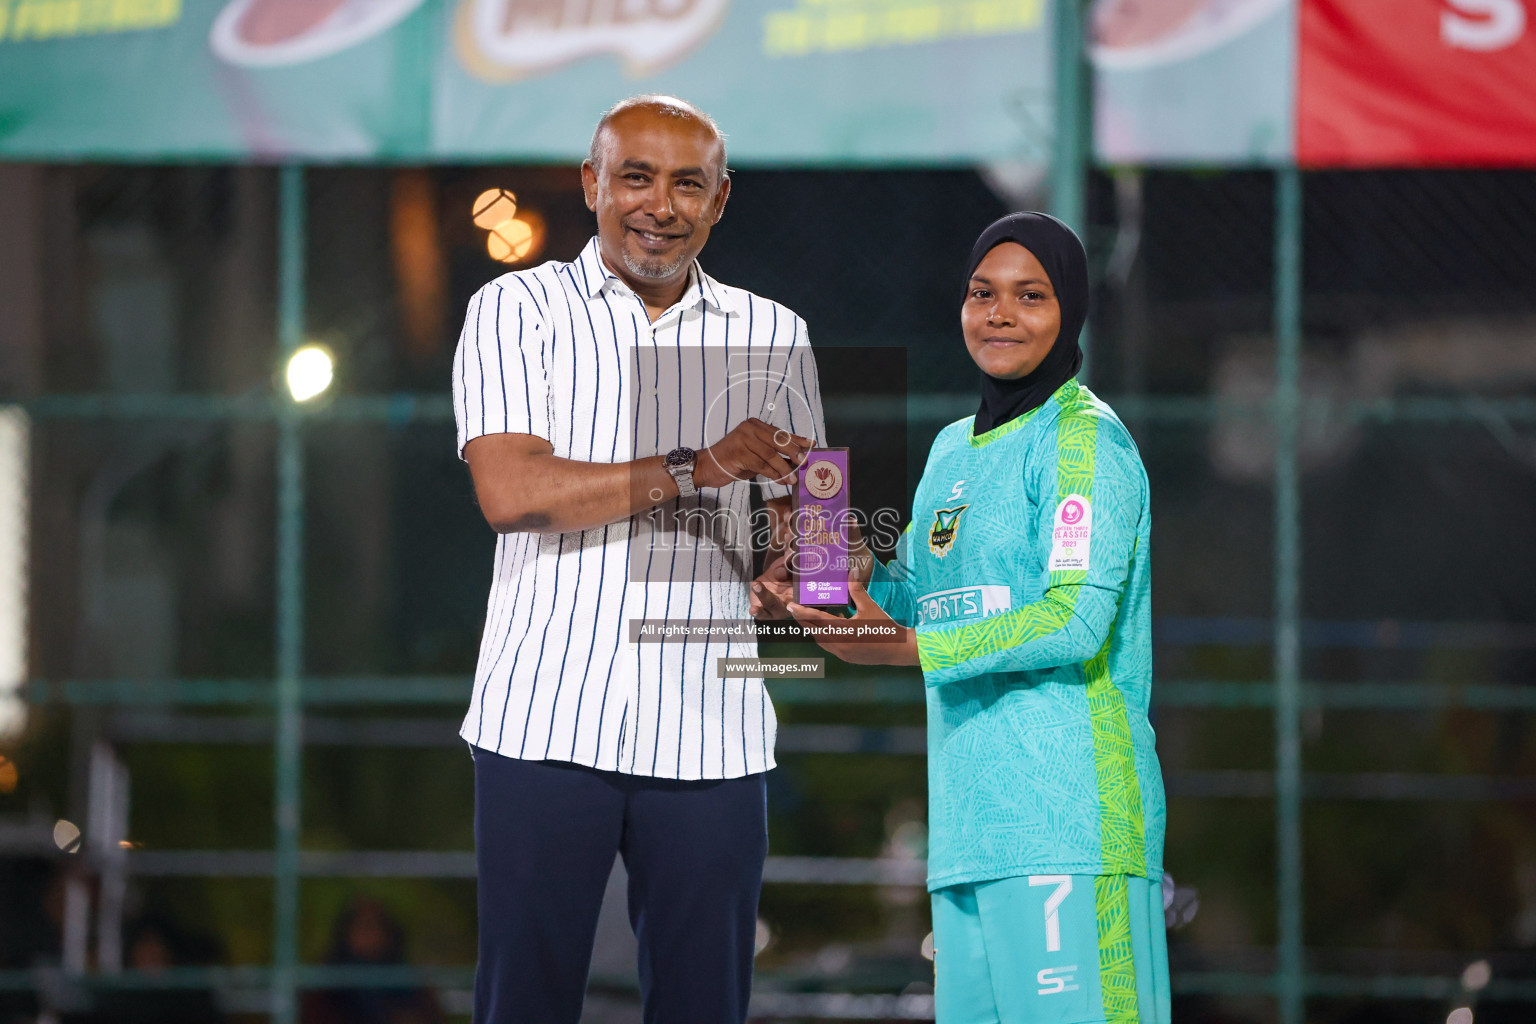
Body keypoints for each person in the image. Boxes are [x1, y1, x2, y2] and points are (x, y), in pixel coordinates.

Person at [451, 94, 825, 1024]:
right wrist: (700, 467)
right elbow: (513, 492)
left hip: (715, 731)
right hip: (544, 722)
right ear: (592, 183)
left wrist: (803, 573)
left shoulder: (775, 331)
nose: (660, 205)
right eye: (636, 177)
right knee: (524, 1004)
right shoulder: (516, 308)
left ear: (720, 200)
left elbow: (812, 536)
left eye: (687, 184)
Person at [754, 213, 1170, 1023]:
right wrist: (845, 569)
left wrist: (909, 645)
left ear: (1071, 312)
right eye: (983, 294)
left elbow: (1074, 620)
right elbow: (920, 592)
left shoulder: (1085, 443)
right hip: (969, 835)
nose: (1000, 314)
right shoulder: (951, 450)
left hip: (1068, 827)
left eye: (1030, 296)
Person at [301, 897, 445, 1024]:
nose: (370, 934)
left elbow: (428, 1016)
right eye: (363, 925)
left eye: (376, 925)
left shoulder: (409, 983)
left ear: (389, 933)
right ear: (346, 932)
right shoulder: (326, 984)